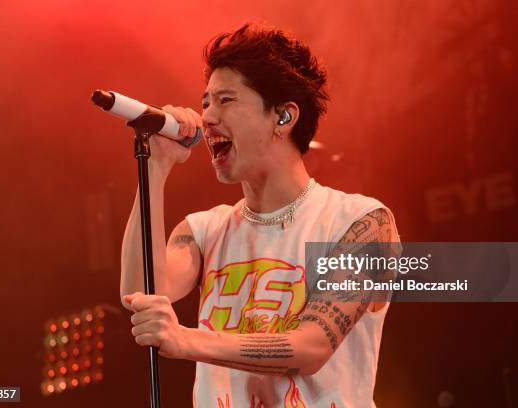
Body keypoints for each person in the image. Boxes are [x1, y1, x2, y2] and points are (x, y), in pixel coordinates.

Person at [120, 23, 401, 408]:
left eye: (226, 100)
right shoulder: (204, 230)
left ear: (283, 117)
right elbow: (141, 291)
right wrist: (155, 167)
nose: (207, 117)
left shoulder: (361, 220)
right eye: (205, 102)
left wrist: (186, 339)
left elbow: (312, 346)